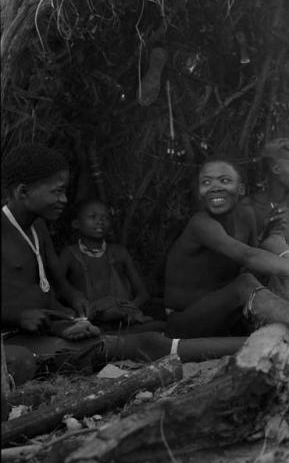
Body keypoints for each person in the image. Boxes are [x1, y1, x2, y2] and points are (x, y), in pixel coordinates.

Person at [1, 144, 245, 386]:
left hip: (43, 332)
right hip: (12, 340)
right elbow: (22, 305)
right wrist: (18, 316)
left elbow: (54, 285)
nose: (63, 199)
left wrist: (70, 318)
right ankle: (258, 343)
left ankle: (260, 342)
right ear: (24, 192)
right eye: (57, 192)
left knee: (148, 339)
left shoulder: (38, 228)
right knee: (135, 345)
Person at [163, 154, 289, 339]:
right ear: (199, 192)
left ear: (241, 189)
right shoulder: (201, 224)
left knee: (270, 254)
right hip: (186, 321)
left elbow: (259, 262)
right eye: (206, 182)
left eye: (224, 180)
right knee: (244, 283)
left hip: (226, 316)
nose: (215, 188)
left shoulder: (246, 217)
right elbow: (248, 256)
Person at [59, 198, 165, 332]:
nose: (100, 221)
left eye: (105, 217)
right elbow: (58, 289)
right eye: (93, 217)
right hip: (90, 324)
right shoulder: (69, 254)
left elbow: (143, 295)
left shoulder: (119, 252)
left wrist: (124, 309)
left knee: (161, 328)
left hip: (124, 322)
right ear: (76, 223)